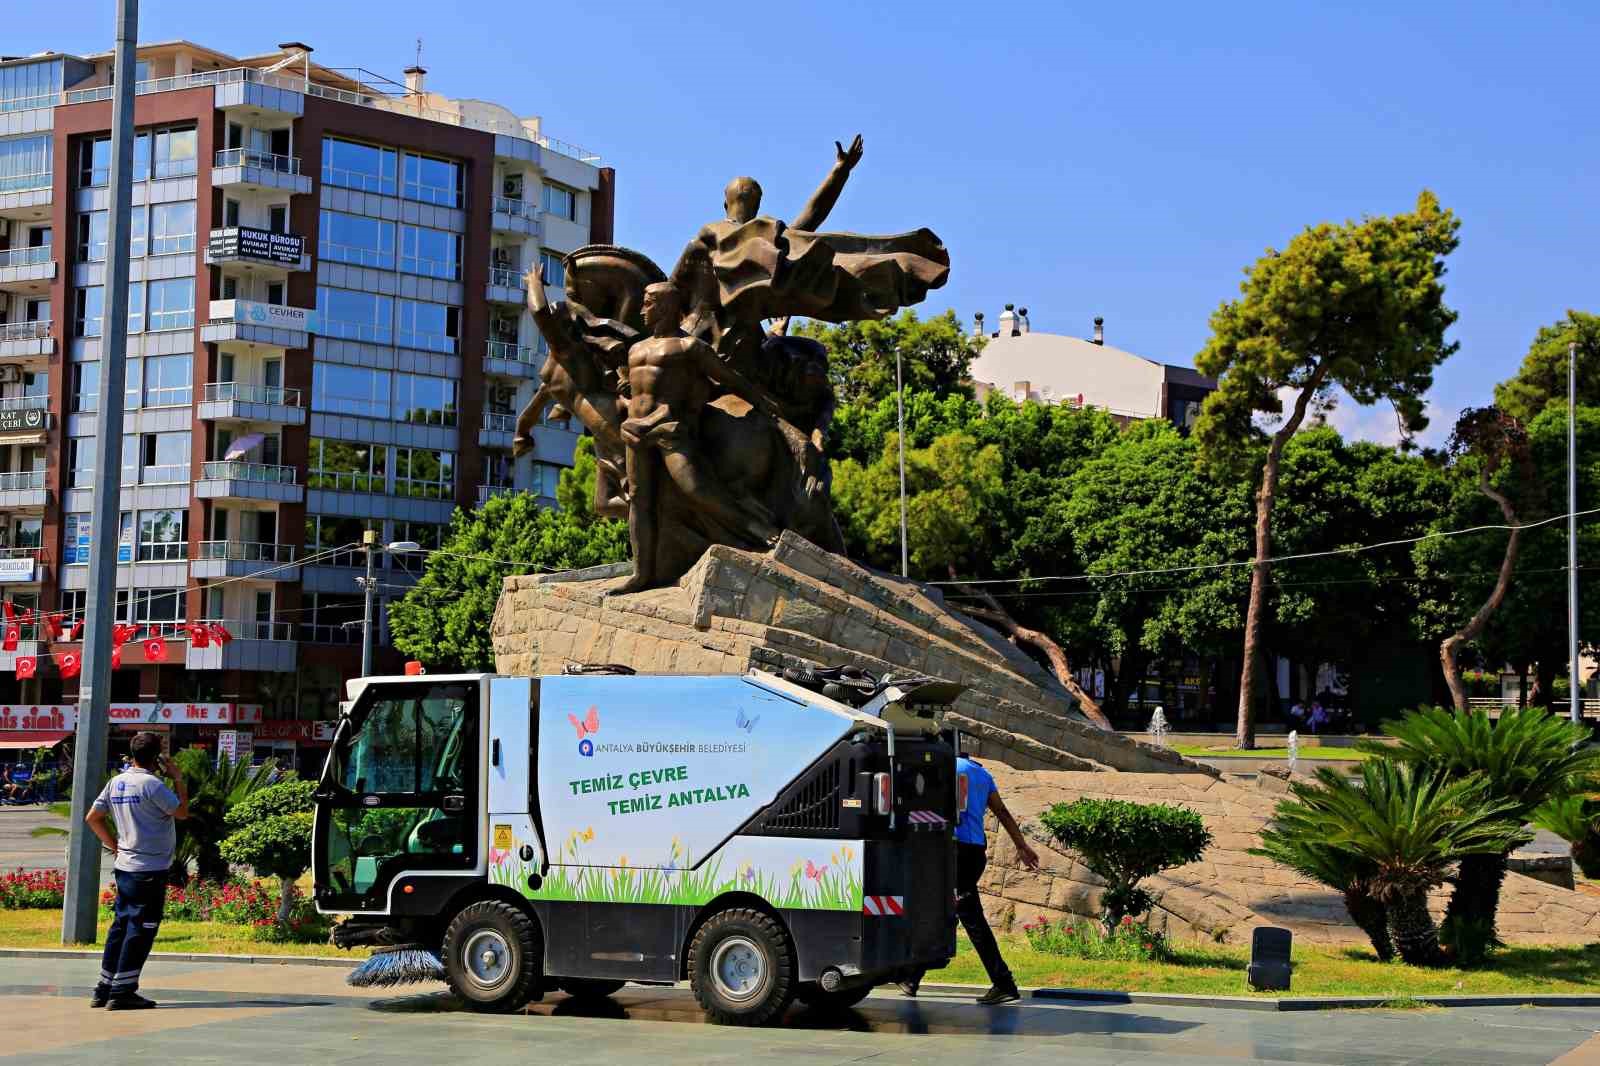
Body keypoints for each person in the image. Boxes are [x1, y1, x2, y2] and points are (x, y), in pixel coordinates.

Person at [900, 752, 1041, 1005]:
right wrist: (1022, 846)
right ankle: (912, 978)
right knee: (942, 912)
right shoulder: (983, 774)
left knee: (969, 918)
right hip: (975, 852)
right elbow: (1003, 812)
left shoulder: (942, 766)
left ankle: (1004, 983)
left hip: (954, 851)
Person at [84, 731, 188, 1010]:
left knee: (121, 925)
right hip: (150, 869)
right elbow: (181, 812)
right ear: (157, 758)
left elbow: (93, 818)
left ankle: (104, 987)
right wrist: (177, 778)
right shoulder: (153, 785)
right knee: (141, 928)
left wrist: (114, 845)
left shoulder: (116, 782)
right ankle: (123, 991)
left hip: (125, 867)